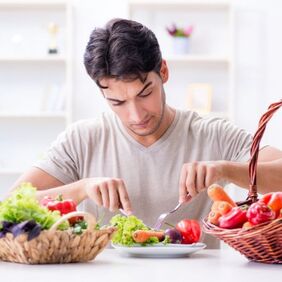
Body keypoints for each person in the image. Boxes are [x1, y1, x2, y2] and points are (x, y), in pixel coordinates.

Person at [11, 18, 282, 248]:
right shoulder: (82, 139)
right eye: (118, 102)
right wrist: (81, 189)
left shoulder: (212, 134)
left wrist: (226, 170)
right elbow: (12, 207)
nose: (136, 115)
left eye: (145, 93)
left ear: (163, 71)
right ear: (102, 92)